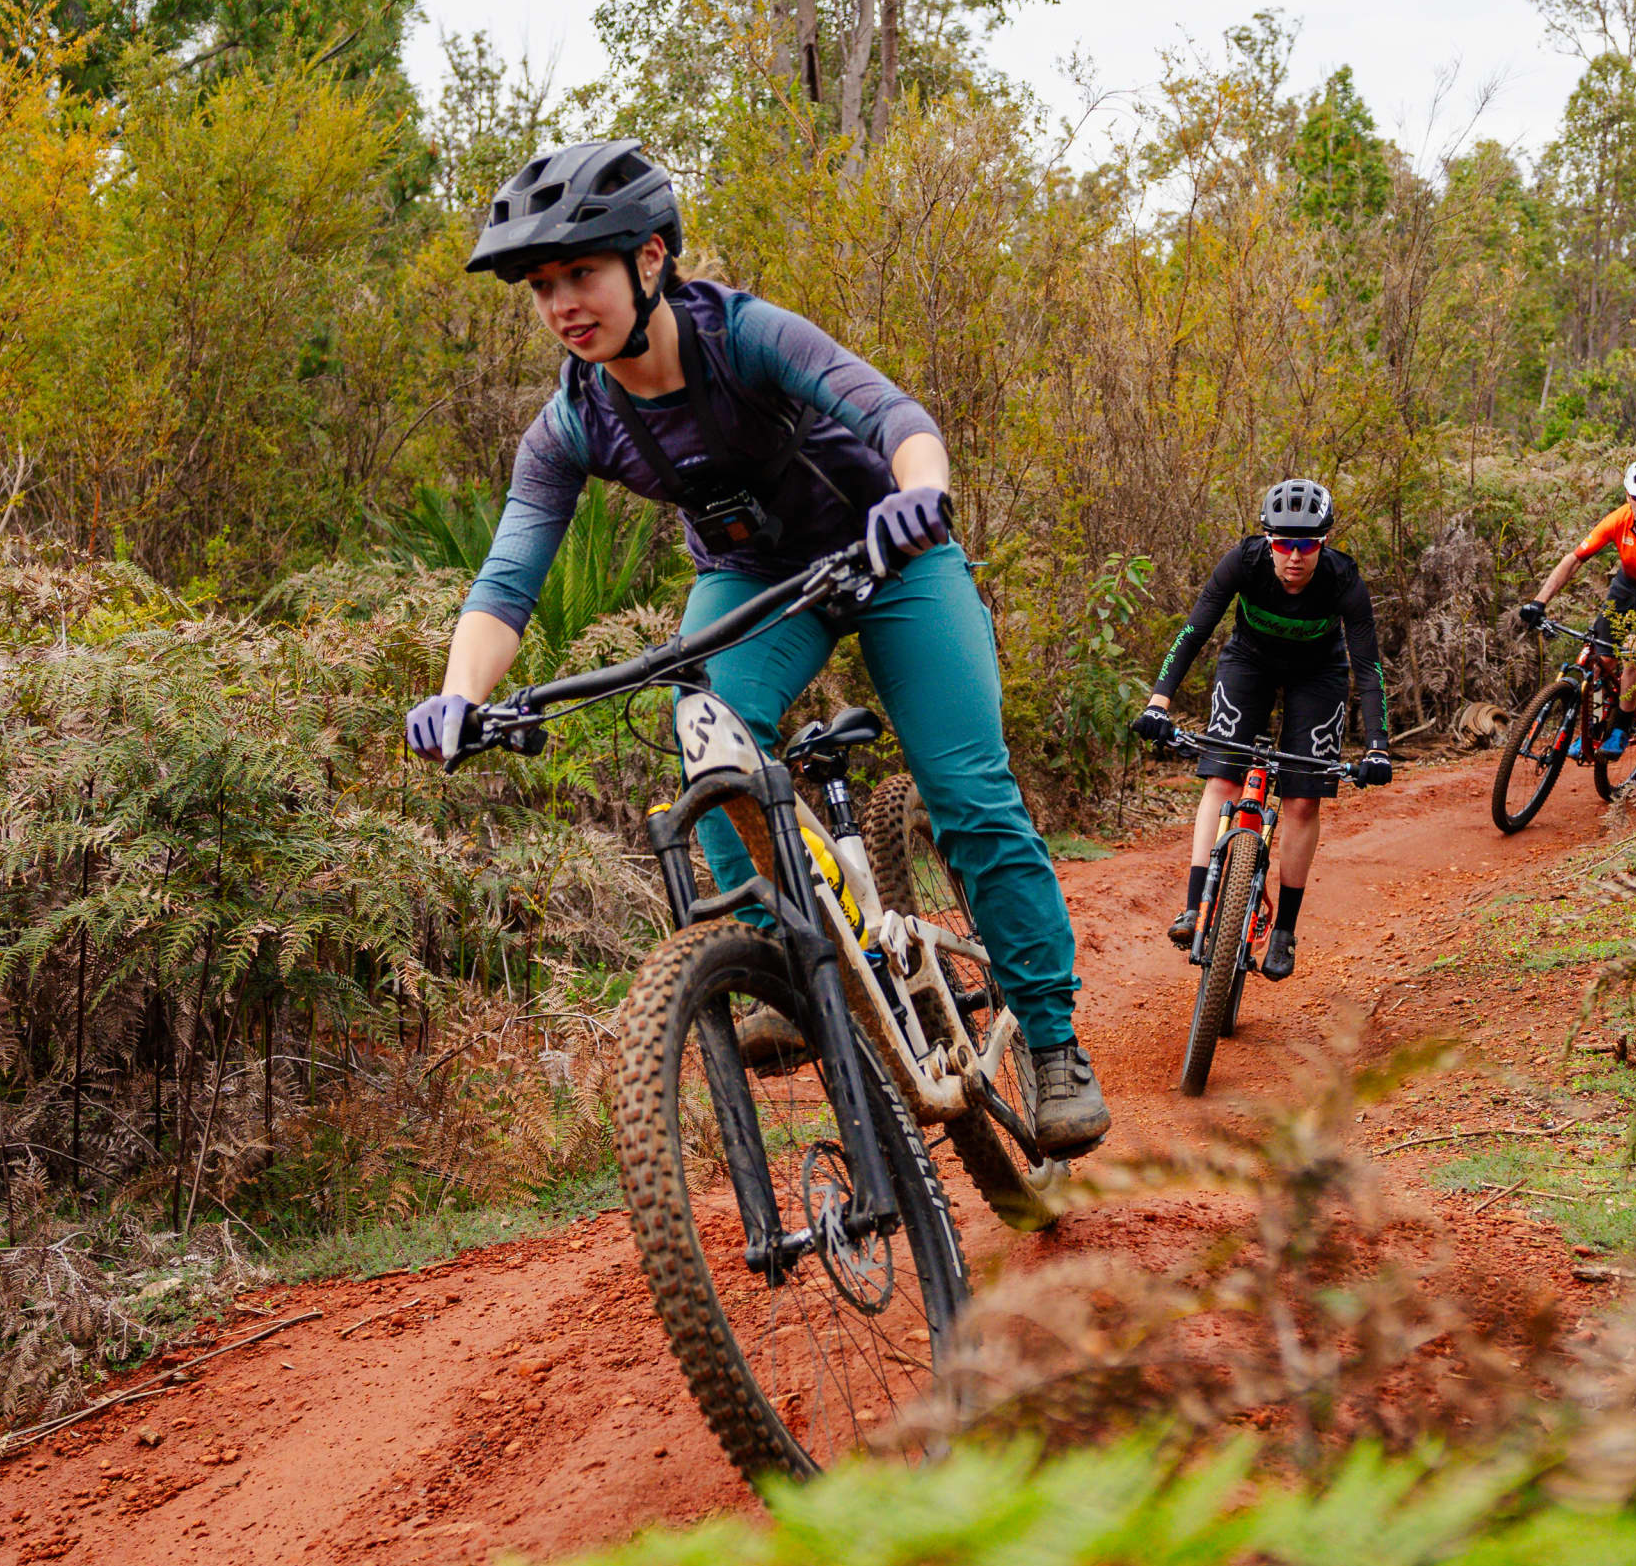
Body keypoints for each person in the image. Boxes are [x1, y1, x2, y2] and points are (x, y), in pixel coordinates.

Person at [400, 138, 1109, 1157]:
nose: (562, 302)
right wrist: (459, 694)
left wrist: (917, 494)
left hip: (889, 554)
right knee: (709, 737)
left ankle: (1050, 1041)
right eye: (542, 285)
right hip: (756, 581)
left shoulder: (744, 337)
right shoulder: (572, 423)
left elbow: (893, 414)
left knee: (967, 789)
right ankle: (790, 963)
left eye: (580, 274)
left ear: (650, 260)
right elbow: (507, 580)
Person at [1133, 477, 1391, 983]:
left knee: (1301, 800)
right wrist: (1158, 703)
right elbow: (1194, 631)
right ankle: (1194, 906)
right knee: (1222, 779)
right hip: (1249, 661)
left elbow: (1368, 665)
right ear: (1267, 541)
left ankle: (1284, 932)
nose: (1294, 557)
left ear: (1324, 543)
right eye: (1283, 543)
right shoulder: (1242, 564)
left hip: (1319, 674)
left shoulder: (1343, 580)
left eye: (1307, 544)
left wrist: (1379, 746)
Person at [1537, 458, 1636, 756]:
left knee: (1634, 654)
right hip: (1625, 588)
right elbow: (1573, 560)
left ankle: (1621, 727)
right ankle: (1595, 726)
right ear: (1627, 495)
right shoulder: (1618, 519)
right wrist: (1538, 601)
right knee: (1600, 659)